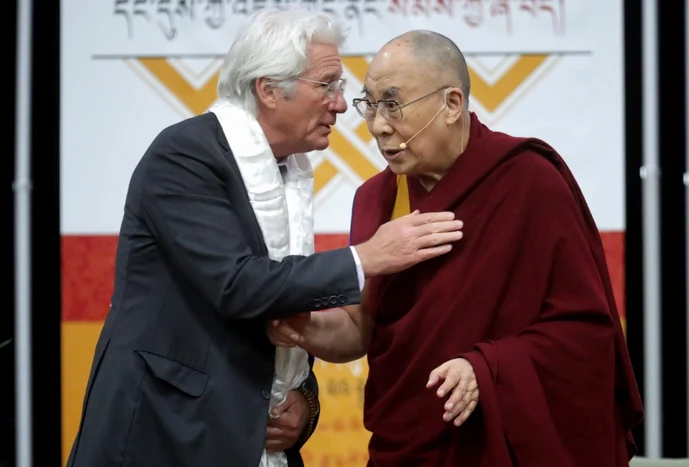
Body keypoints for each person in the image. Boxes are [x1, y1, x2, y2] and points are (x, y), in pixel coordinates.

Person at [66, 13, 464, 467]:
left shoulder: (289, 172)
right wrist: (366, 258)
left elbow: (282, 320)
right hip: (165, 432)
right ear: (269, 89)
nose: (339, 105)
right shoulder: (185, 156)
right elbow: (237, 285)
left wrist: (304, 403)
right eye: (328, 86)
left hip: (248, 435)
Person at [268, 30, 645, 466]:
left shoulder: (529, 183)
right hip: (406, 444)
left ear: (451, 104)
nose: (377, 126)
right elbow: (362, 328)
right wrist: (307, 326)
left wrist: (488, 368)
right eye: (369, 104)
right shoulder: (375, 199)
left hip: (497, 443)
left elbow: (587, 335)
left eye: (393, 104)